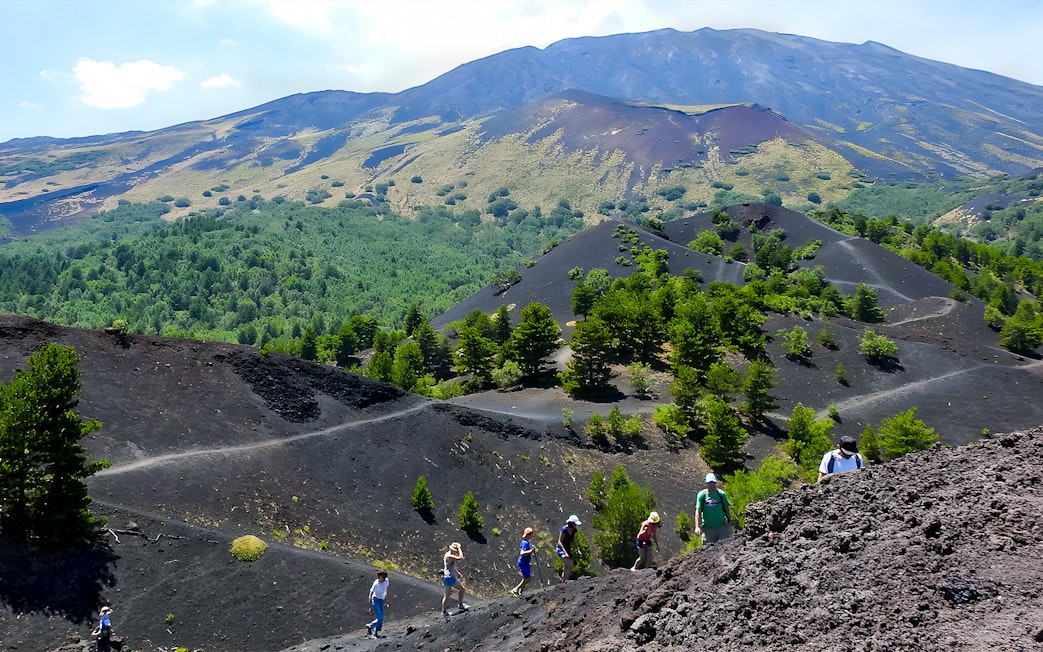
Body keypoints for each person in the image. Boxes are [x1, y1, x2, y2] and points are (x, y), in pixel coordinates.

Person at [694, 473, 733, 545]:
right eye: (709, 483)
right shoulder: (702, 495)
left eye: (713, 483)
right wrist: (697, 527)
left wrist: (730, 521)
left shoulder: (721, 494)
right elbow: (698, 511)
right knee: (708, 550)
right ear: (706, 483)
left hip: (721, 527)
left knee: (725, 547)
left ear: (715, 483)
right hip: (708, 529)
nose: (711, 485)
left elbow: (726, 508)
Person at [440, 542, 468, 620]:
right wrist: (459, 548)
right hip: (449, 578)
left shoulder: (449, 555)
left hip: (448, 577)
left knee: (447, 595)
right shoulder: (449, 556)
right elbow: (461, 558)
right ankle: (460, 605)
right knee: (461, 589)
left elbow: (451, 566)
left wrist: (457, 573)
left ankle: (444, 612)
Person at [556, 514, 581, 584]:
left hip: (567, 549)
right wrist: (565, 553)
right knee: (570, 565)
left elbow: (573, 540)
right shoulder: (564, 530)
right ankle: (565, 582)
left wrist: (577, 549)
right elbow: (559, 542)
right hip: (561, 550)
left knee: (566, 567)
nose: (576, 526)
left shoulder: (573, 531)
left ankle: (563, 582)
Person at [366, 569, 389, 638]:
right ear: (379, 577)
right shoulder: (376, 583)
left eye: (384, 577)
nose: (384, 579)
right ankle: (374, 632)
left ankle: (371, 625)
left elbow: (385, 590)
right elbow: (371, 592)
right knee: (380, 618)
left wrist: (386, 599)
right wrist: (370, 604)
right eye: (382, 577)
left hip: (381, 601)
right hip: (375, 600)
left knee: (381, 618)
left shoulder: (386, 581)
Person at [511, 527, 535, 596]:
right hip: (523, 562)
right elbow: (522, 553)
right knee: (527, 578)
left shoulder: (526, 542)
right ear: (529, 535)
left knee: (525, 578)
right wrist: (531, 551)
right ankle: (516, 589)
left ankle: (520, 592)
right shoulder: (525, 543)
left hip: (525, 562)